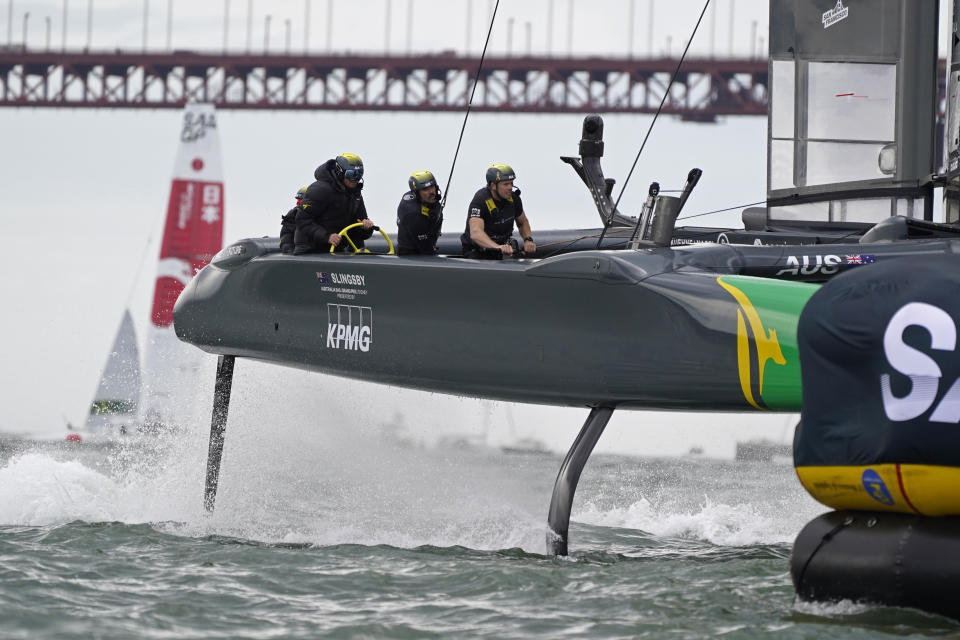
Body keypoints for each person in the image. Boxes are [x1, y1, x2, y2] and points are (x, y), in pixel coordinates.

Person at [294, 153, 375, 255]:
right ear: (340, 172)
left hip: (337, 251)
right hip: (310, 251)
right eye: (352, 174)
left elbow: (357, 227)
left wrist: (366, 227)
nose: (355, 179)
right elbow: (302, 220)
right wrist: (327, 237)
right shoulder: (320, 190)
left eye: (359, 174)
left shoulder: (355, 193)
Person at [460, 163, 536, 259]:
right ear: (493, 186)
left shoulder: (514, 199)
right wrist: (497, 247)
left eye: (511, 183)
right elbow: (476, 233)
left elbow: (522, 222)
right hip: (477, 253)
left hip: (502, 251)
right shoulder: (480, 200)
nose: (510, 187)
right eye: (505, 184)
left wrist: (528, 239)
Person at [396, 170, 443, 255]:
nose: (431, 192)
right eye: (425, 189)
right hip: (411, 256)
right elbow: (425, 248)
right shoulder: (412, 213)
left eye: (432, 187)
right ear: (416, 192)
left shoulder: (426, 199)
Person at [280, 185, 307, 254]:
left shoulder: (325, 215)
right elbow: (286, 236)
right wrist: (289, 251)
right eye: (297, 200)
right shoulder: (292, 215)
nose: (297, 203)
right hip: (299, 254)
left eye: (301, 200)